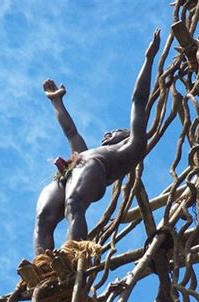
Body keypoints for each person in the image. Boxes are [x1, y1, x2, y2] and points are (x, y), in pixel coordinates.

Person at [33, 29, 161, 255]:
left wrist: (149, 59)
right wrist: (57, 102)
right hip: (70, 173)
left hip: (93, 171)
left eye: (116, 131)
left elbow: (138, 100)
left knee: (74, 204)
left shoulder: (133, 146)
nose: (109, 132)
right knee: (43, 218)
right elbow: (71, 132)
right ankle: (42, 266)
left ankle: (72, 255)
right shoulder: (85, 151)